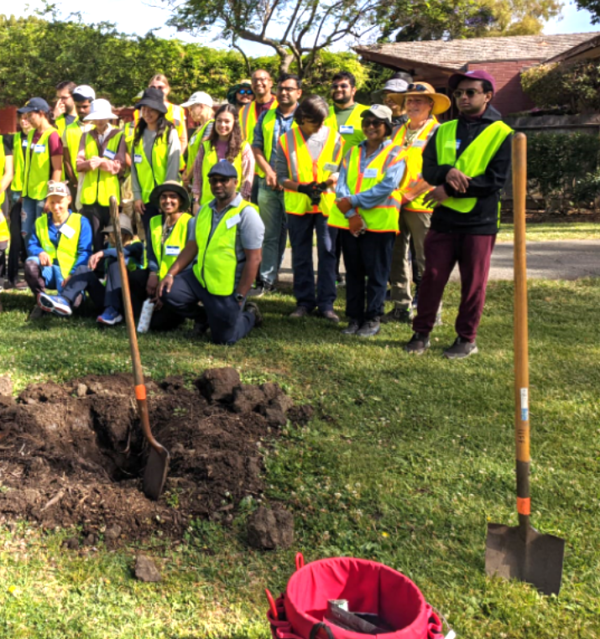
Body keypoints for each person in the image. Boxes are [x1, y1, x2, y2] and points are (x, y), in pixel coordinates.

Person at [405, 70, 513, 359]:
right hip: (444, 220)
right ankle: (421, 333)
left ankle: (466, 339)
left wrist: (449, 190)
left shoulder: (503, 133)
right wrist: (447, 172)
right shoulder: (444, 130)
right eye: (459, 93)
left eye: (470, 92)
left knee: (473, 284)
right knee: (432, 277)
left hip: (480, 222)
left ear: (487, 96)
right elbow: (428, 169)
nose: (463, 97)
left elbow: (495, 180)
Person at [158, 161, 264, 345]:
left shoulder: (247, 214)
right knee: (168, 291)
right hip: (199, 279)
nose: (218, 185)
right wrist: (170, 274)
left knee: (224, 339)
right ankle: (204, 318)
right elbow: (192, 246)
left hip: (227, 288)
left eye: (223, 180)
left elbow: (254, 259)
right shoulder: (204, 210)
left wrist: (240, 295)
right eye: (213, 181)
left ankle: (251, 315)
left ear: (235, 182)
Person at [329, 105, 405, 337]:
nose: (370, 126)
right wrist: (352, 214)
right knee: (353, 273)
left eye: (376, 123)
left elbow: (386, 187)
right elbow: (341, 184)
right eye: (367, 122)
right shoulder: (352, 152)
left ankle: (372, 318)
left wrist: (353, 202)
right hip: (350, 223)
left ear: (387, 127)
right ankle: (354, 318)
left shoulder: (396, 153)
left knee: (377, 274)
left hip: (380, 224)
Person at [382, 83, 450, 325]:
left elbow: (440, 169)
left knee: (427, 259)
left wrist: (410, 194)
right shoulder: (396, 131)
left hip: (423, 203)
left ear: (431, 105)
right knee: (395, 255)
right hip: (394, 203)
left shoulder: (439, 131)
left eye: (419, 101)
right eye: (409, 100)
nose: (412, 105)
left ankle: (433, 310)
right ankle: (401, 306)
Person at [276, 95, 343, 322]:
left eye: (323, 120)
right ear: (302, 118)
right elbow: (281, 177)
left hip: (326, 205)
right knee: (301, 255)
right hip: (298, 205)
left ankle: (326, 304)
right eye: (316, 121)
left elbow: (339, 169)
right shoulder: (286, 140)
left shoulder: (335, 138)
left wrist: (326, 183)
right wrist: (302, 188)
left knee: (328, 253)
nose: (321, 125)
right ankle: (304, 302)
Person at [251, 73, 302, 295]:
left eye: (289, 89)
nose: (284, 92)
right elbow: (256, 147)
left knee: (299, 236)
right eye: (281, 88)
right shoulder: (267, 116)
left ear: (299, 92)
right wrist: (269, 172)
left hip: (297, 187)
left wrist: (286, 178)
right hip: (267, 184)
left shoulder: (305, 117)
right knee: (269, 234)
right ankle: (267, 281)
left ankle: (303, 284)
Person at [127, 181, 195, 330]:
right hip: (158, 275)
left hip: (178, 280)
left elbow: (191, 262)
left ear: (181, 201)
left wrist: (164, 289)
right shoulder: (154, 222)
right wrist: (152, 273)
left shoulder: (190, 222)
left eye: (173, 197)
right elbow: (151, 252)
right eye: (163, 197)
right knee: (135, 277)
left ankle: (187, 312)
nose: (167, 201)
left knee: (158, 326)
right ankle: (139, 312)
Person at [325, 72, 369, 287]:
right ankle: (332, 275)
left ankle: (357, 276)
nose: (338, 89)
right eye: (335, 86)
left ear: (354, 89)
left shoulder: (365, 114)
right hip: (327, 181)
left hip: (356, 183)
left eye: (343, 86)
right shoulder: (325, 114)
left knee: (354, 231)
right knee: (332, 232)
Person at [24, 181, 93, 319]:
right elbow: (32, 245)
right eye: (52, 202)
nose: (56, 207)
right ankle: (41, 301)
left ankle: (59, 300)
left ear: (69, 199)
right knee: (30, 264)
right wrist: (39, 252)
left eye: (60, 201)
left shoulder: (81, 222)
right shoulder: (40, 222)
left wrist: (73, 274)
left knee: (74, 306)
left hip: (69, 273)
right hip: (48, 270)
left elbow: (85, 253)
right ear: (47, 203)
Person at [77, 98, 127, 255]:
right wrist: (88, 164)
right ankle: (96, 273)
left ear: (109, 117)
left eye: (102, 117)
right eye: (96, 117)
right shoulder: (86, 135)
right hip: (89, 196)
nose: (99, 121)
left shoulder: (119, 135)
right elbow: (78, 164)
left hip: (110, 196)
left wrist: (102, 163)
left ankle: (110, 270)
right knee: (94, 239)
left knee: (113, 238)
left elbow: (120, 166)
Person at [131, 87, 181, 237]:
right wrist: (137, 195)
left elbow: (173, 164)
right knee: (151, 239)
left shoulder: (170, 133)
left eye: (151, 109)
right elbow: (134, 168)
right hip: (146, 201)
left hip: (169, 200)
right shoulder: (138, 134)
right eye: (144, 109)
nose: (147, 113)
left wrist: (166, 195)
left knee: (169, 238)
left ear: (160, 110)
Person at [191, 103, 254, 211]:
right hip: (207, 205)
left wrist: (242, 204)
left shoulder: (243, 147)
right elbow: (197, 176)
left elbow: (247, 178)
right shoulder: (206, 146)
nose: (222, 125)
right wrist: (195, 201)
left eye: (227, 121)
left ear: (235, 123)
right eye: (219, 121)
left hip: (233, 206)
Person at [86, 213, 145, 326]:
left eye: (116, 233)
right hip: (109, 294)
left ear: (126, 234)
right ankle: (66, 301)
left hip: (128, 298)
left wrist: (101, 253)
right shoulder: (108, 246)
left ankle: (113, 311)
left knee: (116, 262)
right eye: (111, 232)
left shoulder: (136, 245)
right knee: (84, 272)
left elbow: (123, 252)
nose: (112, 235)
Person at [19, 98, 63, 245]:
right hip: (28, 193)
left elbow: (57, 168)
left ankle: (44, 266)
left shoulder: (53, 135)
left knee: (42, 233)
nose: (27, 119)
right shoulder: (31, 134)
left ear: (42, 113)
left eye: (30, 115)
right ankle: (30, 264)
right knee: (26, 233)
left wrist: (51, 196)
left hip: (43, 195)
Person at [240, 69, 277, 203]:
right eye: (255, 80)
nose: (259, 83)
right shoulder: (244, 110)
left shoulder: (281, 106)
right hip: (251, 172)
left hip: (275, 171)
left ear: (271, 83)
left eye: (263, 79)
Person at [5, 113, 31, 289]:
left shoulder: (43, 138)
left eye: (28, 117)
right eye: (21, 117)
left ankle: (31, 276)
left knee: (31, 237)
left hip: (35, 194)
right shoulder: (10, 139)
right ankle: (12, 277)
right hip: (16, 193)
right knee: (15, 236)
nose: (23, 120)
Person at [62, 85, 96, 206]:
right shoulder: (68, 130)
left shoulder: (101, 127)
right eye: (78, 107)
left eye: (85, 107)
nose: (81, 110)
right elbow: (66, 160)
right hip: (77, 184)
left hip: (98, 183)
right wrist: (75, 181)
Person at [147, 74, 188, 154]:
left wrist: (175, 158)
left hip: (174, 160)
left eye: (160, 87)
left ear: (168, 89)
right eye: (153, 87)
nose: (156, 90)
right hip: (149, 161)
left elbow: (183, 140)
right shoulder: (141, 111)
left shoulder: (178, 110)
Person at [181, 91, 214, 189]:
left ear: (202, 106)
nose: (190, 113)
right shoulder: (199, 128)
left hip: (203, 180)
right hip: (194, 180)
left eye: (191, 109)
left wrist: (188, 176)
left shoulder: (211, 125)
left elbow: (201, 154)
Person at [0, 134, 14, 287]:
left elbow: (9, 172)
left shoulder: (3, 141)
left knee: (0, 239)